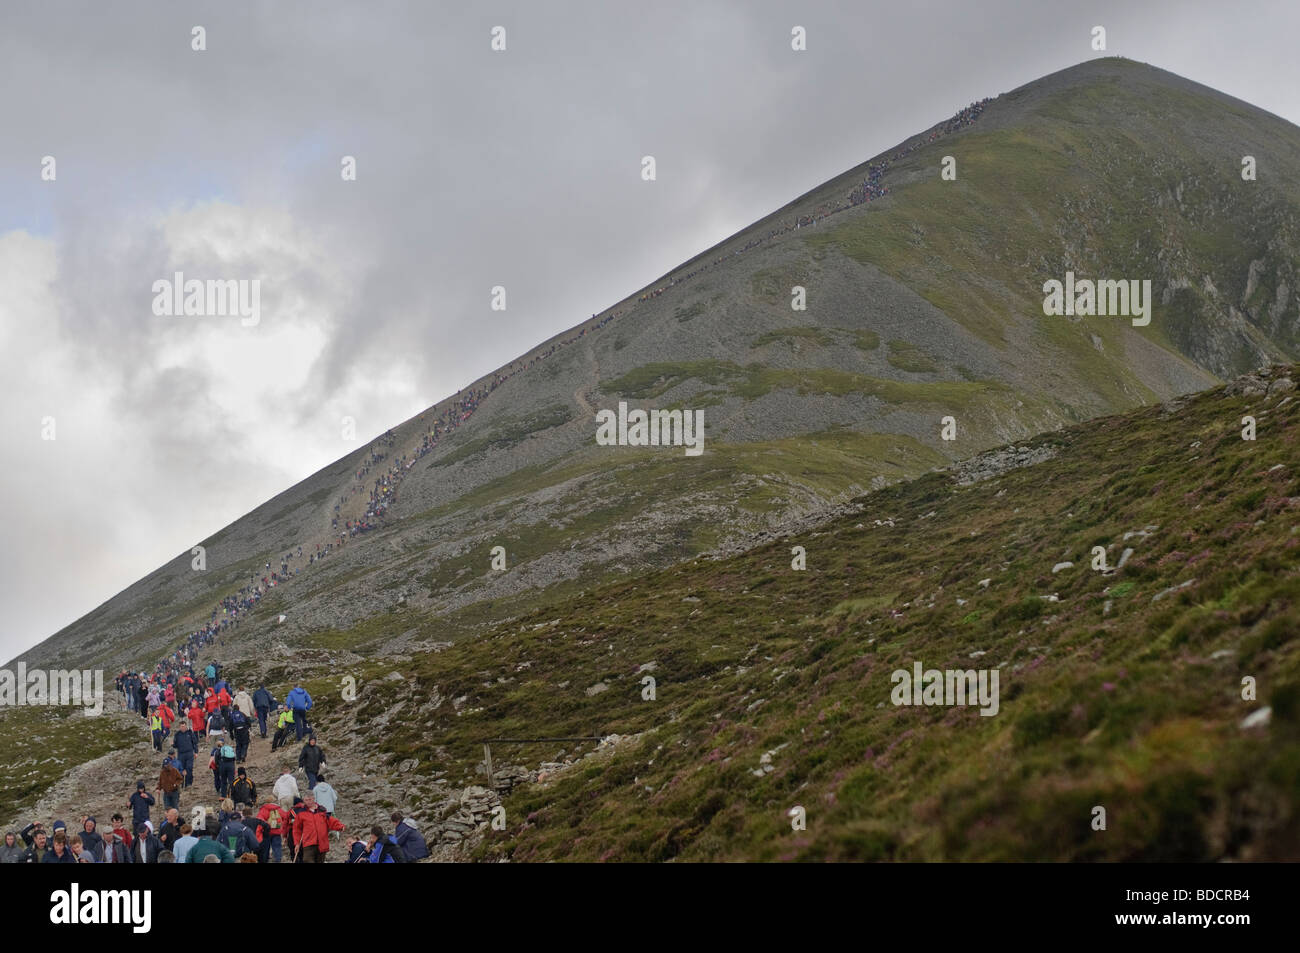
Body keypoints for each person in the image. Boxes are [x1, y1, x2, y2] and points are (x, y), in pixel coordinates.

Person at [292, 793, 344, 863]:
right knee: (307, 860)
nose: (308, 802)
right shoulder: (301, 813)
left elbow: (330, 820)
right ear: (304, 801)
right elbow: (296, 829)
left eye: (310, 799)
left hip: (322, 842)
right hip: (308, 842)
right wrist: (297, 844)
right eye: (306, 800)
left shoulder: (322, 810)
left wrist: (340, 827)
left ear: (314, 799)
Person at [257, 797, 289, 864]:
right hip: (277, 831)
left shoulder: (264, 809)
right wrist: (282, 825)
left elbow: (259, 820)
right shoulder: (278, 809)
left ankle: (265, 859)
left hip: (266, 832)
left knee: (266, 847)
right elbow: (286, 816)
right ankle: (278, 859)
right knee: (277, 846)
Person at [174, 723, 198, 787]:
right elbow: (175, 745)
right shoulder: (177, 734)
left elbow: (195, 743)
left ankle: (189, 783)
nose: (183, 728)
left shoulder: (190, 733)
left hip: (189, 753)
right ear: (179, 727)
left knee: (189, 768)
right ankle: (182, 783)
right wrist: (173, 744)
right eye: (182, 726)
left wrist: (196, 752)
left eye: (184, 726)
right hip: (181, 754)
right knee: (181, 769)